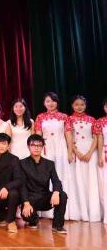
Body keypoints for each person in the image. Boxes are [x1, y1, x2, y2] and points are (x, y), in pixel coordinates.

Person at [34, 92, 79, 221]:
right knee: (44, 177)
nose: (50, 103)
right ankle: (46, 211)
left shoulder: (64, 117)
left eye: (53, 101)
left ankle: (64, 210)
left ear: (57, 102)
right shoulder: (40, 117)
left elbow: (68, 135)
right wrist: (37, 152)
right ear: (44, 103)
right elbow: (38, 135)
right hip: (46, 149)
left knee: (61, 175)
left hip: (60, 148)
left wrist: (70, 151)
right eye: (48, 101)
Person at [19, 134, 68, 234]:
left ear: (42, 147)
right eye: (33, 145)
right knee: (28, 217)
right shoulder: (22, 163)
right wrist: (26, 203)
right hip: (30, 199)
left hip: (45, 197)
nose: (36, 148)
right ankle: (34, 219)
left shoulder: (49, 164)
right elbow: (22, 185)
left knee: (62, 195)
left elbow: (56, 180)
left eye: (39, 145)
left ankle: (58, 225)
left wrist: (56, 192)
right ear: (28, 146)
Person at [66, 95, 100, 222]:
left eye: (82, 104)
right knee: (78, 180)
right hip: (76, 151)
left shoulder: (92, 119)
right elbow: (68, 137)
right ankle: (80, 212)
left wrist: (90, 153)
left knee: (91, 181)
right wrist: (76, 152)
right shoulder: (69, 119)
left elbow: (96, 137)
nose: (79, 107)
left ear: (85, 105)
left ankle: (93, 213)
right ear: (72, 106)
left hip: (91, 152)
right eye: (76, 104)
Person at [0, 133, 21, 233]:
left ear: (8, 145)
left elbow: (18, 180)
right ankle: (5, 215)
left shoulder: (14, 159)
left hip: (12, 192)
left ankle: (11, 221)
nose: (0, 146)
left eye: (4, 143)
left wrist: (6, 188)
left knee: (13, 194)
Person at [96, 98, 107, 224]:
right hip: (105, 153)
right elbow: (100, 139)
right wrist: (99, 156)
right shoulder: (100, 122)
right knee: (104, 184)